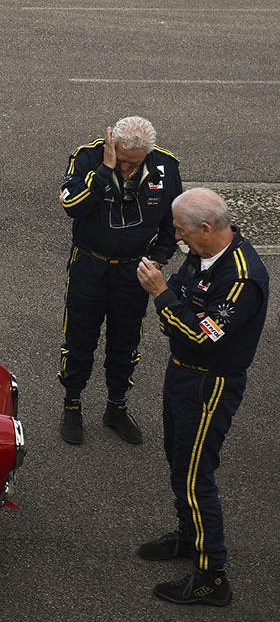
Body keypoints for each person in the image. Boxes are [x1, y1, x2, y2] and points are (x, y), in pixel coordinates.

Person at [135, 188, 268, 606]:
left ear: (205, 229)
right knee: (179, 460)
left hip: (210, 385)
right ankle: (190, 535)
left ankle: (212, 577)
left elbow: (200, 334)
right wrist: (172, 304)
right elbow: (181, 309)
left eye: (180, 230)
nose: (175, 238)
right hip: (182, 375)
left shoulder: (242, 277)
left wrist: (161, 295)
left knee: (195, 478)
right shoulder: (202, 254)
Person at [58, 116, 182, 444]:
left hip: (133, 271)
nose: (126, 169)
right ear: (112, 144)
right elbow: (71, 205)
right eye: (122, 162)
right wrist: (105, 170)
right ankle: (72, 404)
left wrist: (159, 258)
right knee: (80, 340)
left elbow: (172, 221)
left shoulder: (166, 167)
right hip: (89, 265)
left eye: (133, 164)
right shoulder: (86, 157)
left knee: (126, 343)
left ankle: (117, 406)